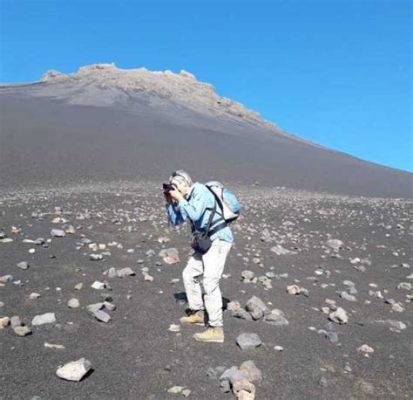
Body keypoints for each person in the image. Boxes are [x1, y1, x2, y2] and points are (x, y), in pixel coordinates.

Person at [164, 170, 233, 343]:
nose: (174, 188)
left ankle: (216, 329)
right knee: (189, 274)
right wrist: (170, 203)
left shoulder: (200, 191)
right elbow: (175, 222)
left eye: (175, 184)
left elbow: (195, 214)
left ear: (184, 183)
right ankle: (198, 313)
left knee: (209, 282)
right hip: (205, 242)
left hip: (218, 239)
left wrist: (180, 199)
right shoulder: (186, 199)